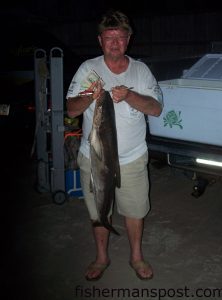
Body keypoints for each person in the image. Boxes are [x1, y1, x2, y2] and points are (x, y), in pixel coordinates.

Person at [66, 9, 163, 281]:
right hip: (95, 157)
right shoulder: (88, 69)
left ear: (128, 39)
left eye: (120, 37)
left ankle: (136, 257)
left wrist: (131, 95)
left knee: (134, 211)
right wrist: (88, 95)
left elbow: (156, 109)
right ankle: (101, 257)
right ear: (100, 41)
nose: (115, 43)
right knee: (99, 210)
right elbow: (72, 110)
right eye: (109, 38)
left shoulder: (141, 71)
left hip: (132, 158)